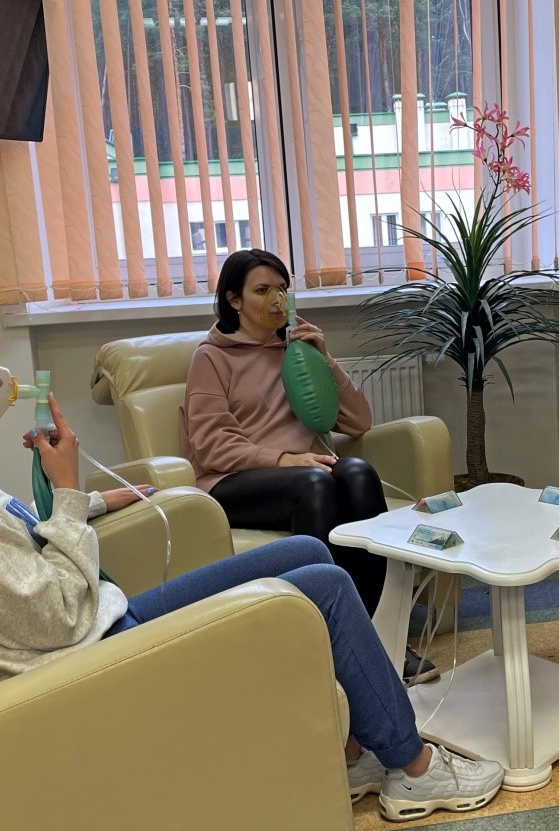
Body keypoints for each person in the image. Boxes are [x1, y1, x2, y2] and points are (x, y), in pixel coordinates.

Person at [0, 299, 503, 822]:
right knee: (321, 582)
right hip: (93, 658)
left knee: (302, 549)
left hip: (100, 628)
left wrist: (91, 499)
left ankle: (355, 751)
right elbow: (56, 613)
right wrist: (69, 491)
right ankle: (414, 768)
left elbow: (16, 543)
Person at [180, 249, 437, 685]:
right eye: (262, 290)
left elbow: (358, 422)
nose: (276, 299)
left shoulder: (296, 349)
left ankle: (379, 636)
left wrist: (326, 359)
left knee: (358, 473)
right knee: (316, 484)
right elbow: (210, 446)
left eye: (282, 289)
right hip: (234, 480)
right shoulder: (211, 357)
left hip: (304, 473)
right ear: (234, 300)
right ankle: (326, 645)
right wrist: (283, 459)